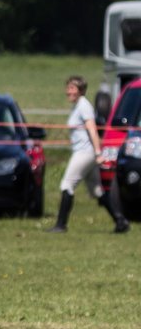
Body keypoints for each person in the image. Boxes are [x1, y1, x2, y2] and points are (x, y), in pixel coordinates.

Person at [48, 75, 129, 234]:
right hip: (86, 152)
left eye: (72, 88)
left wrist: (98, 152)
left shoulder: (84, 106)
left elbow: (92, 130)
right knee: (97, 190)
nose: (68, 91)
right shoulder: (78, 106)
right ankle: (120, 221)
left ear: (81, 90)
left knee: (67, 185)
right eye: (68, 88)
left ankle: (61, 225)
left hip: (84, 153)